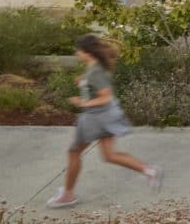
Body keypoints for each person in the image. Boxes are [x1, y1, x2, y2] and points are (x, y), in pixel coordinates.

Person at [46, 34, 161, 209]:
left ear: (87, 52)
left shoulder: (95, 72)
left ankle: (67, 195)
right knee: (109, 155)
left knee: (74, 152)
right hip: (105, 116)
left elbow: (105, 97)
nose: (77, 54)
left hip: (97, 116)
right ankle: (149, 171)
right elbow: (96, 84)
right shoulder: (94, 67)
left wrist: (83, 102)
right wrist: (83, 82)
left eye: (79, 51)